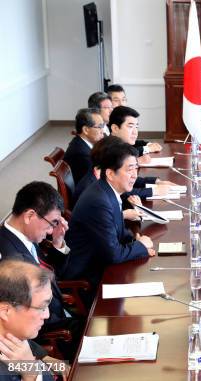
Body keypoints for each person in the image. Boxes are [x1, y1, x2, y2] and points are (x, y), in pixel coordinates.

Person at [0, 182, 84, 361]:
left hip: (57, 309)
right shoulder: (9, 259)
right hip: (45, 329)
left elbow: (49, 277)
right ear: (30, 215)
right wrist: (43, 360)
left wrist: (58, 242)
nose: (52, 229)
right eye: (52, 223)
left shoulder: (23, 237)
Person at [62, 142, 156, 292]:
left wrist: (135, 241)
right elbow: (113, 254)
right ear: (110, 174)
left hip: (101, 263)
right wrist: (140, 246)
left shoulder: (106, 191)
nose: (134, 175)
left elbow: (117, 231)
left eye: (136, 168)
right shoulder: (98, 201)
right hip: (87, 278)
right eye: (129, 169)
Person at [0, 260, 67, 380]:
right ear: (5, 311)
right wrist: (31, 373)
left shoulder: (12, 334)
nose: (47, 315)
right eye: (41, 307)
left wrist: (45, 359)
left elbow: (29, 345)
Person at [106, 84, 162, 154]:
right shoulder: (104, 125)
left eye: (123, 100)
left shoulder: (125, 118)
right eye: (116, 100)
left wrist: (147, 144)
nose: (121, 104)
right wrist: (147, 148)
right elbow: (119, 152)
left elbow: (125, 141)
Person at [63, 108, 105, 186]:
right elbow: (95, 181)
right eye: (99, 126)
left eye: (103, 126)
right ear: (86, 130)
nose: (103, 131)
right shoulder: (81, 154)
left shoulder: (81, 142)